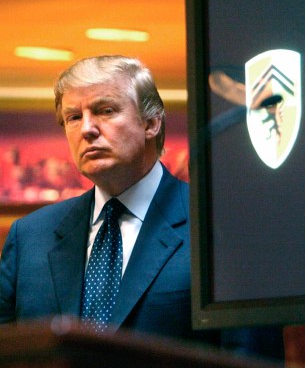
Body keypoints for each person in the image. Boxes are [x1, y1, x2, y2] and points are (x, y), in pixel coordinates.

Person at [0, 55, 213, 343]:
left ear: (151, 123)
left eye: (106, 110)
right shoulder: (30, 237)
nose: (87, 129)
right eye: (73, 117)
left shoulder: (213, 224)